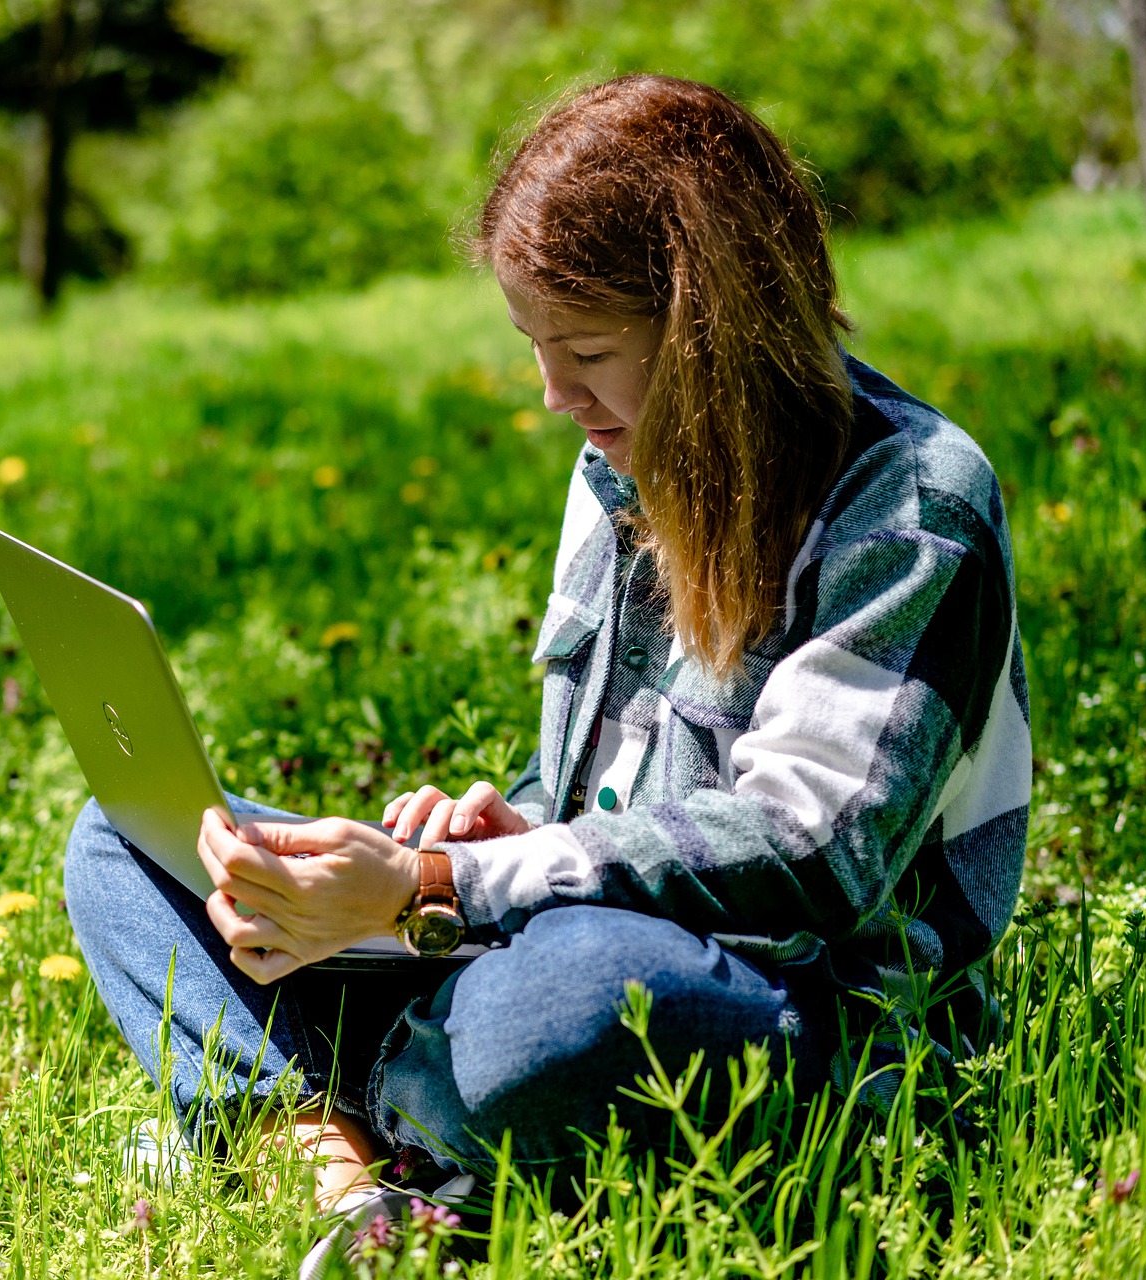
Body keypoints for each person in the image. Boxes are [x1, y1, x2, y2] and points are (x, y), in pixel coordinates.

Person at [64, 73, 1030, 1272]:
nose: (552, 395)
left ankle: (343, 1106)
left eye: (585, 350)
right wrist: (499, 825)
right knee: (128, 842)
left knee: (571, 1000)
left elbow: (812, 853)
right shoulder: (619, 465)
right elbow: (607, 803)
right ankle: (339, 1153)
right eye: (535, 346)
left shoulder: (913, 504)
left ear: (713, 328)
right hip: (540, 940)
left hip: (806, 1014)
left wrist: (435, 882)